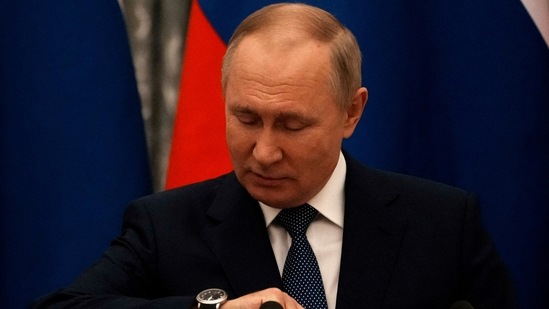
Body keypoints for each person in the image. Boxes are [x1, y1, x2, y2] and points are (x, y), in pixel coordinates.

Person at [33, 3, 515, 309]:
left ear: (351, 112)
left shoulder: (444, 223)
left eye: (291, 124)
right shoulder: (165, 226)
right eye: (245, 119)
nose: (263, 152)